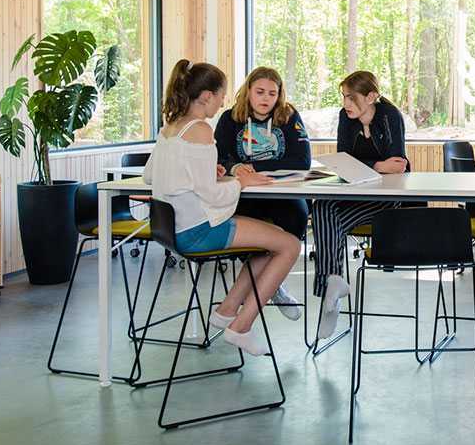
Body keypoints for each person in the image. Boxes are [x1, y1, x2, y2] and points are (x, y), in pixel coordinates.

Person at [144, 60, 300, 356]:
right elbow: (213, 197)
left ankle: (227, 309)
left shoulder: (171, 128)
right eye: (221, 95)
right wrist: (243, 182)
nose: (224, 101)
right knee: (290, 245)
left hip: (172, 229)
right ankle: (240, 327)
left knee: (270, 241)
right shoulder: (201, 129)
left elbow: (152, 175)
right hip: (198, 230)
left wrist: (204, 172)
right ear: (206, 97)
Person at [310, 71, 410, 341]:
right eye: (343, 97)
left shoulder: (389, 116)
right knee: (321, 208)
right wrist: (377, 165)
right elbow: (344, 160)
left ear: (371, 96)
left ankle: (330, 295)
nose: (345, 104)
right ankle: (333, 284)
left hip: (387, 198)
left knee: (329, 219)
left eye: (351, 97)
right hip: (356, 191)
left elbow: (398, 165)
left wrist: (368, 166)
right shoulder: (346, 118)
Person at [215, 66, 311, 319]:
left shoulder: (289, 116)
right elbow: (218, 157)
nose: (266, 98)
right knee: (251, 231)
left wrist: (252, 167)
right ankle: (272, 283)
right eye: (260, 92)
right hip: (246, 195)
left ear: (279, 95)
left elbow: (302, 162)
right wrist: (236, 167)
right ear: (248, 92)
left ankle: (271, 281)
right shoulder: (229, 119)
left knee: (299, 215)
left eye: (272, 93)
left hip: (281, 193)